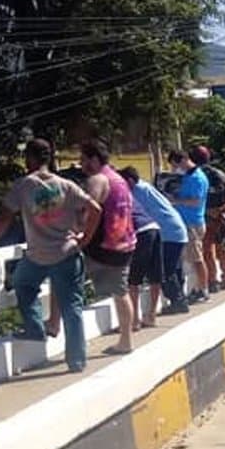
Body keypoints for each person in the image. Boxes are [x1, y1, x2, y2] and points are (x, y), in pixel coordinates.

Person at [0, 138, 101, 373]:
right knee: (72, 308)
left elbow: (5, 218)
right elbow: (95, 209)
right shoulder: (66, 185)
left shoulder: (23, 185)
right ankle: (76, 361)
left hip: (38, 255)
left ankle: (35, 327)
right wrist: (84, 238)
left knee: (22, 283)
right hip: (67, 253)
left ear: (31, 159)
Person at [77, 139, 138, 354]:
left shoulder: (97, 180)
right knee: (121, 292)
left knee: (68, 282)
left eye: (83, 159)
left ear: (94, 159)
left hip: (103, 247)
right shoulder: (118, 179)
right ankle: (126, 340)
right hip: (124, 243)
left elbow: (89, 211)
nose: (81, 164)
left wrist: (82, 237)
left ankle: (66, 335)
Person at [119, 167, 186, 327]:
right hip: (164, 229)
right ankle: (152, 316)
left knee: (138, 278)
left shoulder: (136, 191)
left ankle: (136, 319)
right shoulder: (145, 186)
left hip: (163, 231)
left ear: (128, 181)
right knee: (160, 273)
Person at [169, 148, 213, 302]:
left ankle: (203, 290)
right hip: (187, 222)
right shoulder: (188, 176)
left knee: (197, 258)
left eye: (175, 165)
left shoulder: (197, 178)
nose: (175, 169)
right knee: (190, 260)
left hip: (193, 223)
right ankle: (196, 288)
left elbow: (196, 201)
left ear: (182, 160)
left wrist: (176, 201)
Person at [196, 145, 225, 291]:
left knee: (208, 251)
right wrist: (221, 210)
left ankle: (212, 281)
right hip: (221, 218)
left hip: (206, 219)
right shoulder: (221, 175)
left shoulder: (196, 176)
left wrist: (210, 211)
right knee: (223, 250)